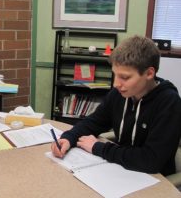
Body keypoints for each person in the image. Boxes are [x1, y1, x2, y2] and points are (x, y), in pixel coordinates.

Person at [51, 35, 181, 176]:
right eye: (115, 75)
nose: (116, 84)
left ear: (149, 73)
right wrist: (68, 138)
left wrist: (98, 147)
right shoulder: (119, 93)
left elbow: (151, 160)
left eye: (125, 77)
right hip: (122, 170)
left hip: (156, 180)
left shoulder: (169, 102)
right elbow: (94, 122)